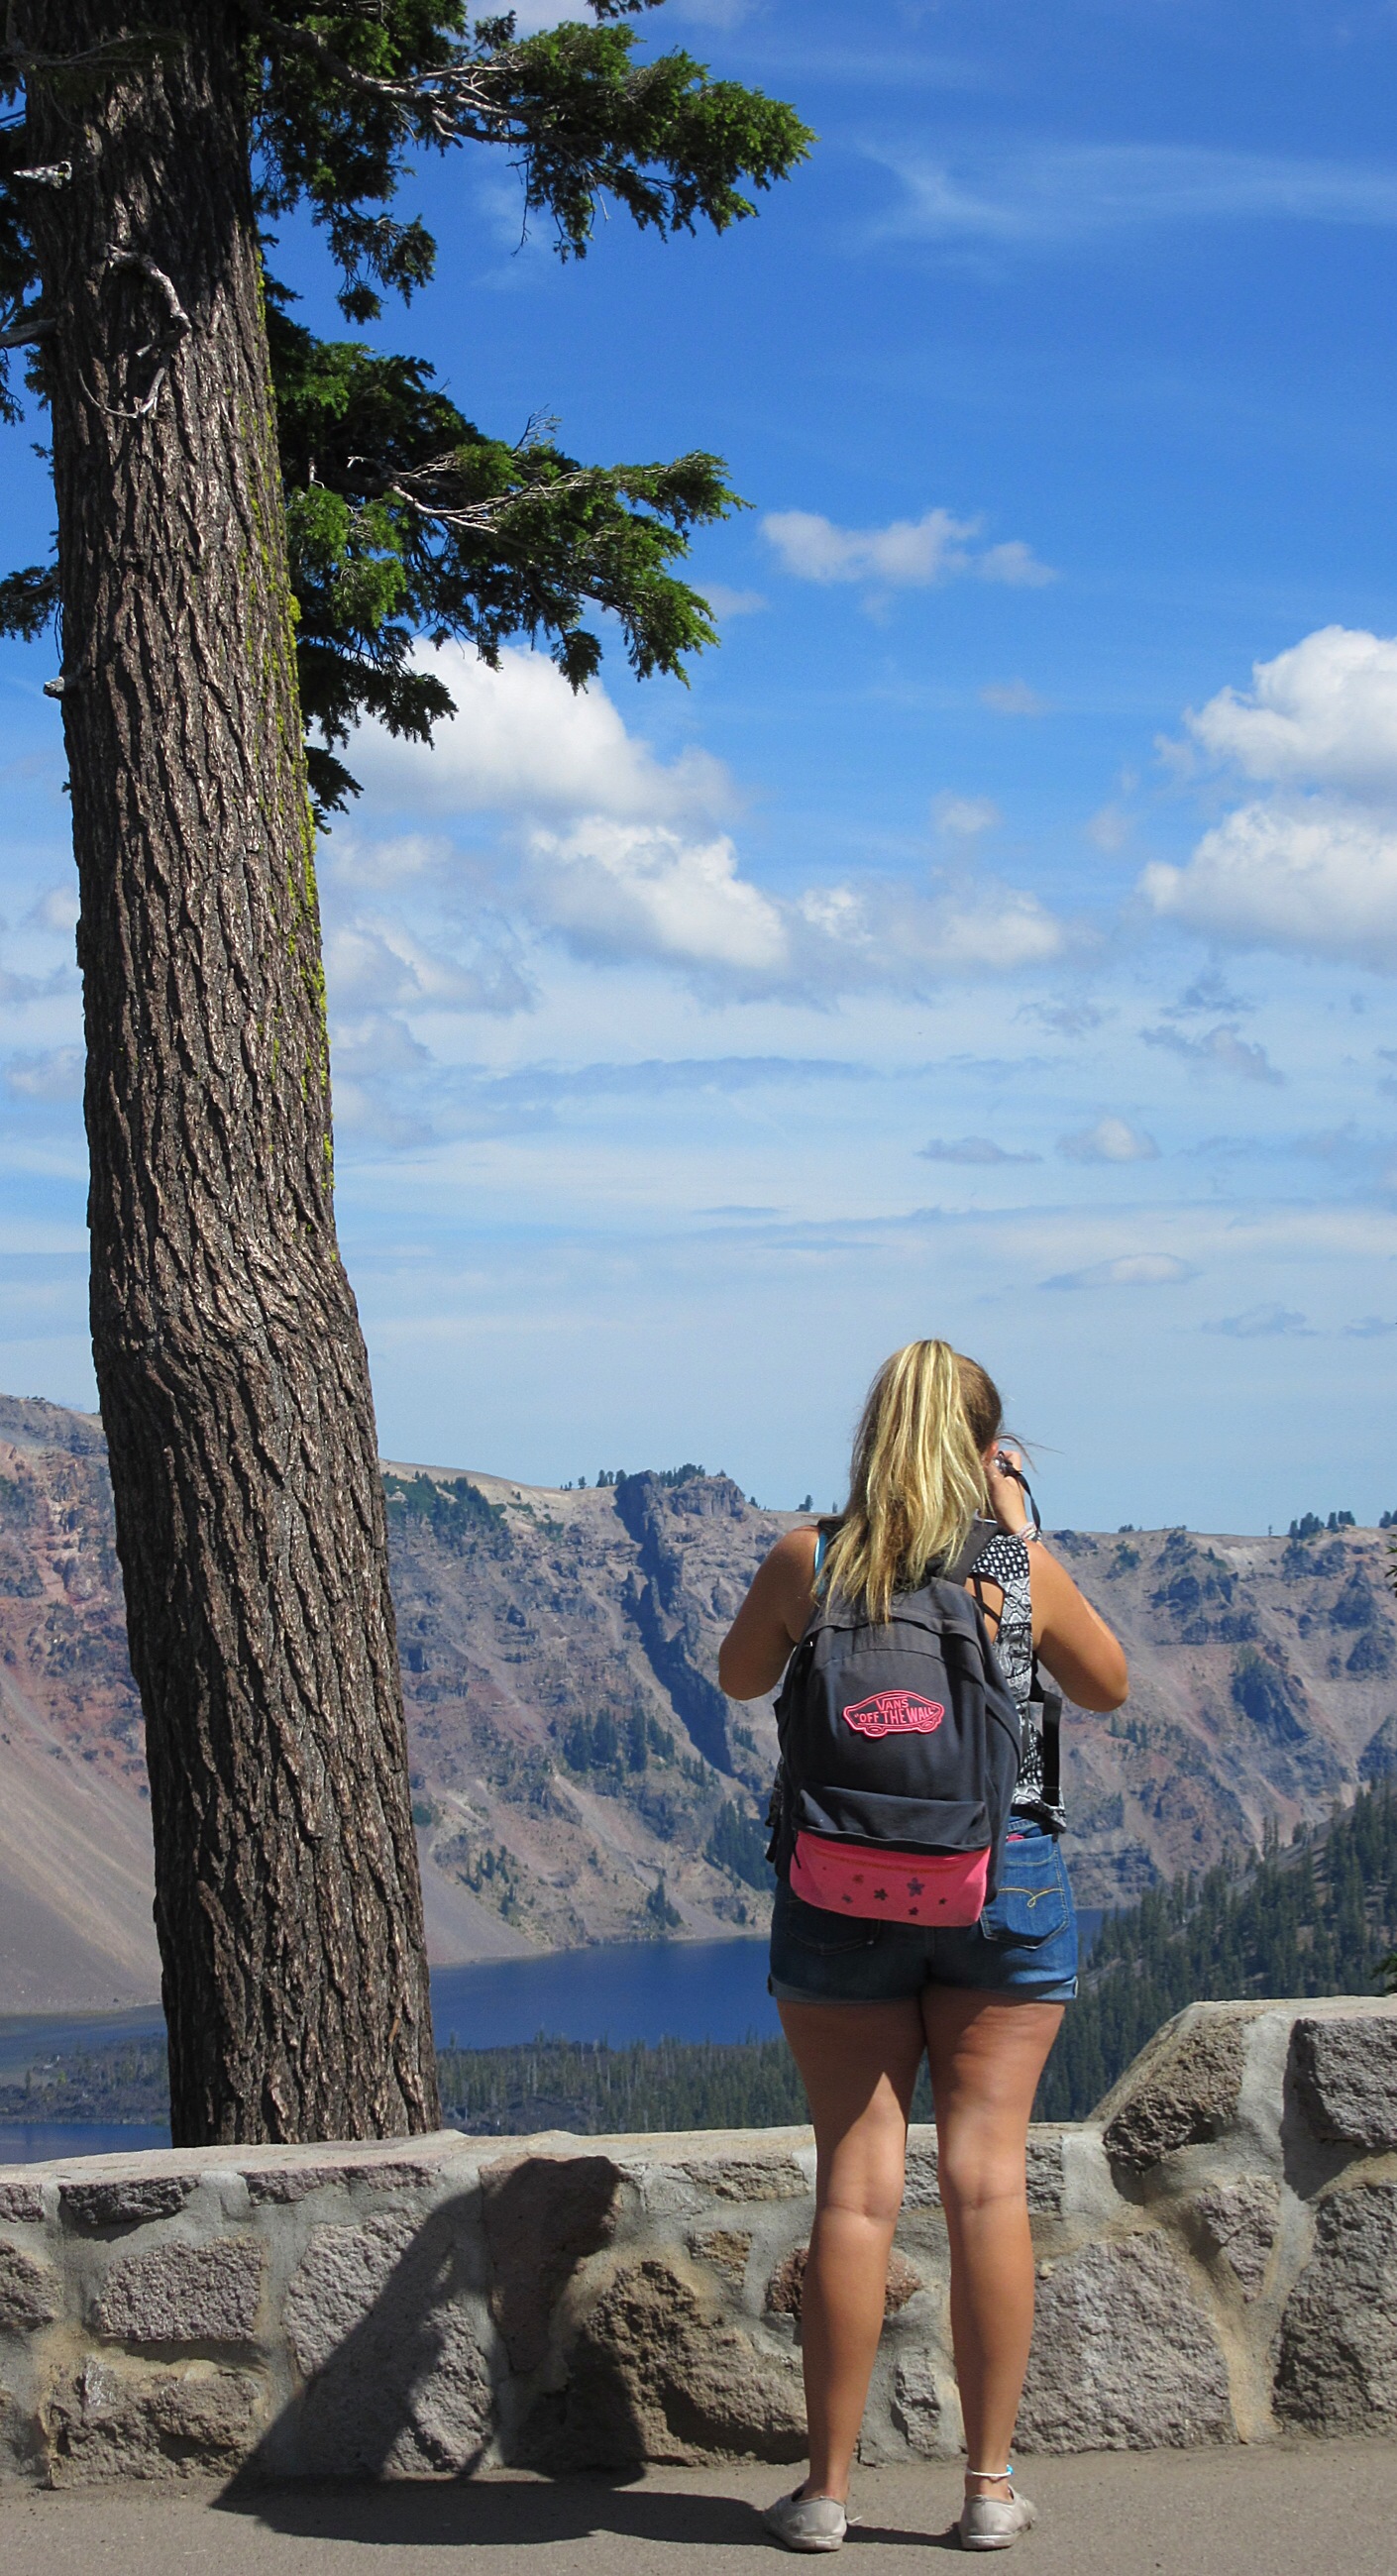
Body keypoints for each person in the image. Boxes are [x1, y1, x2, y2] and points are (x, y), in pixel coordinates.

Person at [717, 1340, 1128, 2553]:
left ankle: (825, 2492)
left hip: (840, 1887)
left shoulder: (810, 1558)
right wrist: (1018, 1529)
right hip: (1004, 1878)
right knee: (986, 2180)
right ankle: (988, 2489)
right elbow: (1106, 1684)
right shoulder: (1014, 1566)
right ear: (985, 1445)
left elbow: (740, 1677)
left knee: (856, 2188)